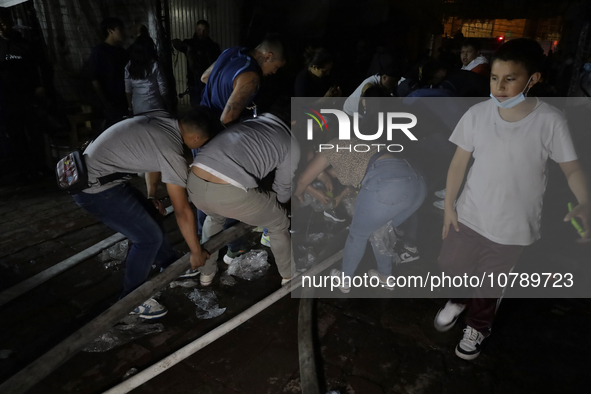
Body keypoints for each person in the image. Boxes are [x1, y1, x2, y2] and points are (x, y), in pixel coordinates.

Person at [434, 38, 590, 360]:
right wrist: (449, 206)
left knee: (490, 284)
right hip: (470, 213)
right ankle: (458, 298)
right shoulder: (478, 114)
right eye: (494, 78)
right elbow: (458, 163)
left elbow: (571, 168)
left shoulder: (550, 121)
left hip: (513, 226)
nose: (499, 87)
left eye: (510, 78)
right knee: (451, 264)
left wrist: (585, 201)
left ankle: (478, 325)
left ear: (533, 79)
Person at [72, 107, 221, 319]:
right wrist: (196, 251)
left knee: (150, 216)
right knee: (148, 238)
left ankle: (170, 265)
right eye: (204, 143)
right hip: (95, 189)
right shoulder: (172, 151)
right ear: (196, 137)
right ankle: (131, 300)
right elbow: (181, 210)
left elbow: (150, 154)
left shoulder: (164, 120)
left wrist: (151, 196)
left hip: (101, 175)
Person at [295, 106, 427, 292]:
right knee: (380, 230)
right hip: (416, 184)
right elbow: (348, 179)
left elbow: (303, 179)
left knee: (358, 234)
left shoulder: (332, 146)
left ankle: (345, 278)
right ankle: (385, 276)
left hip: (388, 182)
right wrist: (337, 193)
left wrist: (300, 193)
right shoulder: (359, 146)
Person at [186, 109, 299, 285]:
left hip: (194, 182)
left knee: (214, 218)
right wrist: (275, 210)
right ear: (295, 123)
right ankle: (290, 276)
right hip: (228, 191)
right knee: (279, 223)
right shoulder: (290, 142)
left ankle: (206, 273)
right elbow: (283, 188)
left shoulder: (248, 123)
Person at [200, 34, 286, 126]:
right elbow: (227, 120)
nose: (274, 71)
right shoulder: (251, 77)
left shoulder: (230, 51)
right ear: (268, 57)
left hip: (199, 117)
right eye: (276, 67)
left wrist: (223, 90)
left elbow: (205, 77)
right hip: (212, 131)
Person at [0, 7, 46, 178]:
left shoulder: (24, 44)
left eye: (4, 23)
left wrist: (39, 85)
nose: (2, 27)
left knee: (35, 133)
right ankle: (25, 171)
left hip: (28, 96)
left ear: (11, 23)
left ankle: (40, 166)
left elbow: (37, 67)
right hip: (7, 99)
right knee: (15, 135)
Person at [90, 17, 129, 127]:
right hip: (110, 102)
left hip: (123, 101)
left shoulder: (122, 52)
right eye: (120, 29)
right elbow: (95, 78)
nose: (123, 32)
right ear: (110, 31)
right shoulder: (99, 51)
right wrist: (105, 102)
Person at [172, 20, 220, 106]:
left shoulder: (213, 47)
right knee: (196, 109)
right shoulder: (190, 44)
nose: (202, 32)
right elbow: (178, 45)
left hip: (209, 84)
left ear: (208, 31)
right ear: (195, 30)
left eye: (204, 30)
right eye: (199, 29)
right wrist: (176, 43)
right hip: (194, 84)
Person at [125, 35, 169, 114]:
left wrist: (130, 107)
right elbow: (163, 88)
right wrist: (168, 105)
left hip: (137, 106)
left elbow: (128, 89)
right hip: (155, 104)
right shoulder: (154, 64)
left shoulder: (129, 66)